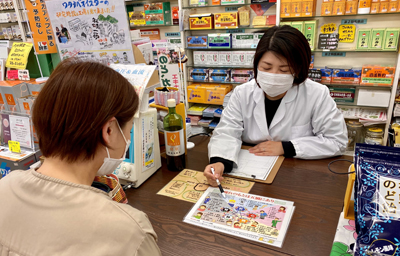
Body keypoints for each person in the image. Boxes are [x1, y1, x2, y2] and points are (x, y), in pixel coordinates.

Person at [0, 59, 161, 255]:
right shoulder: (131, 232)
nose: (127, 138)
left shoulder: (5, 186)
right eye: (128, 129)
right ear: (109, 130)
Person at [203, 25, 347, 186]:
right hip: (248, 174)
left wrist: (287, 147)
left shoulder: (316, 94)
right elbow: (227, 132)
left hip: (296, 177)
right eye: (266, 67)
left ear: (298, 69)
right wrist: (220, 163)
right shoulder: (242, 93)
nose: (273, 75)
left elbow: (336, 141)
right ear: (257, 64)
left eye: (284, 70)